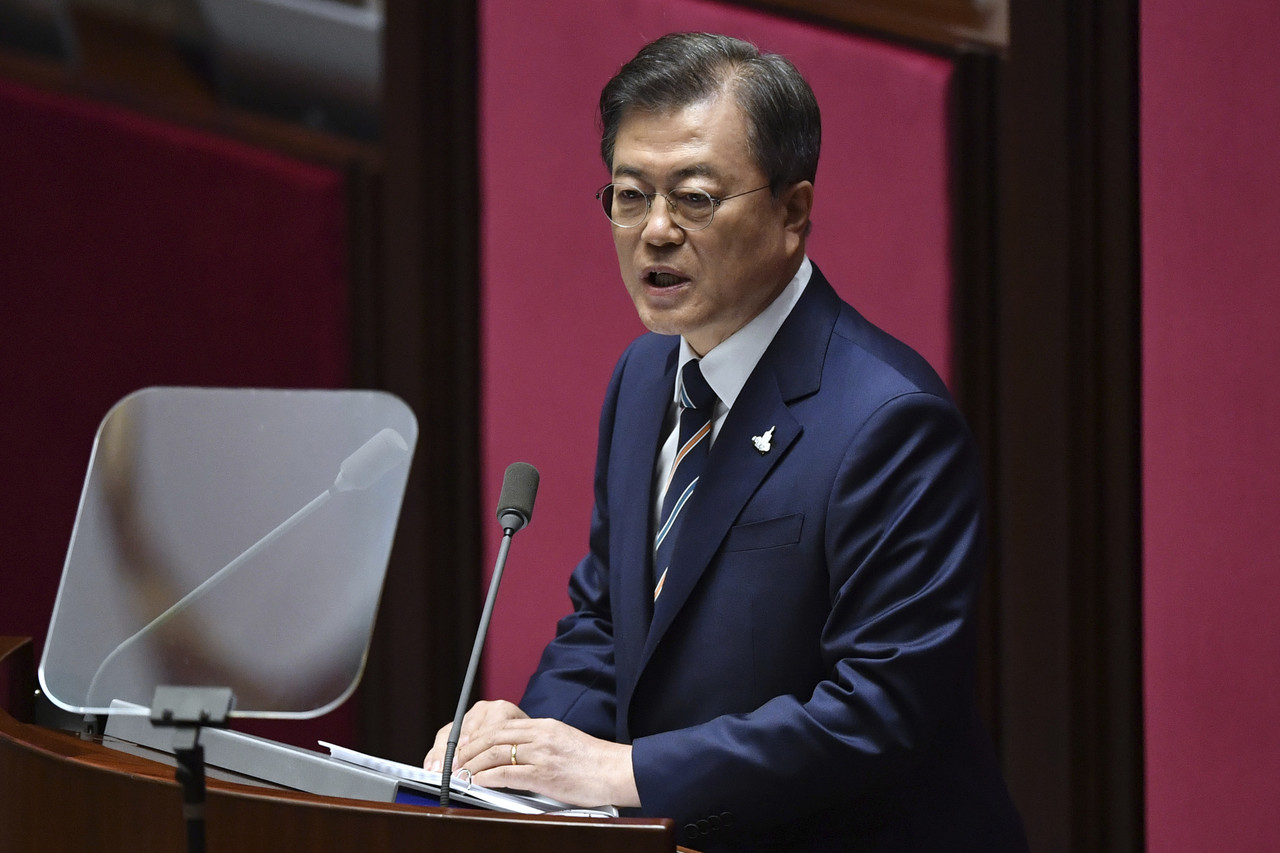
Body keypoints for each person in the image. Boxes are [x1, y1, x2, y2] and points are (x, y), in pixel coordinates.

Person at [426, 32, 1028, 852]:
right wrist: (517, 755)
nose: (656, 230)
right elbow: (608, 623)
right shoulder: (644, 377)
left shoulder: (891, 422)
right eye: (630, 195)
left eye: (695, 198)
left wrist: (623, 773)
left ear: (793, 211)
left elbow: (876, 711)